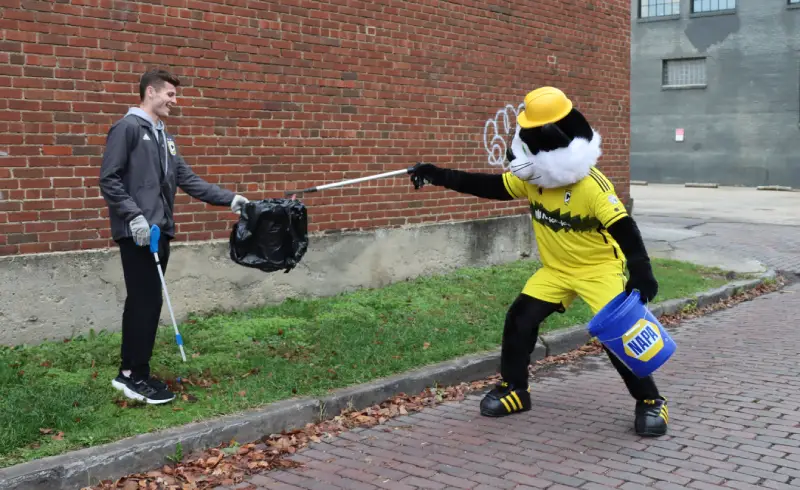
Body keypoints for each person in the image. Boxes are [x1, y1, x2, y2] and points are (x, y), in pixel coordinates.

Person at [409, 86, 669, 437]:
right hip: (556, 271)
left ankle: (651, 401)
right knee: (519, 319)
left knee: (619, 335)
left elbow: (624, 227)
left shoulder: (592, 186)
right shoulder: (534, 178)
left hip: (598, 271)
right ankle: (515, 390)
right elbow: (492, 186)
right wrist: (438, 175)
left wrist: (642, 271)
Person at [99, 69, 250, 404]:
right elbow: (109, 179)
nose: (174, 101)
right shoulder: (127, 129)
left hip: (159, 231)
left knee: (143, 302)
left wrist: (230, 199)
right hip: (138, 233)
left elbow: (188, 179)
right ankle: (134, 377)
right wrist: (134, 217)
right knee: (146, 302)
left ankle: (128, 371)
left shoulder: (163, 136)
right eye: (169, 94)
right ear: (150, 92)